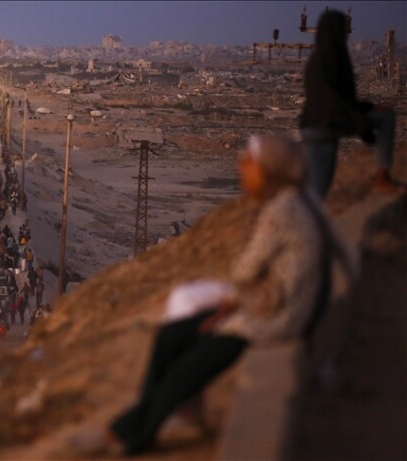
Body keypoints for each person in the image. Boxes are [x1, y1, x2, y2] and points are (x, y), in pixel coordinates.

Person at [109, 134, 355, 455]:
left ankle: (133, 432)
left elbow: (243, 271)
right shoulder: (301, 199)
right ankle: (140, 424)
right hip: (276, 305)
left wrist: (234, 301)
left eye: (249, 166)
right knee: (172, 336)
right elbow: (344, 255)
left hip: (276, 316)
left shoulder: (281, 210)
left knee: (190, 363)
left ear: (270, 169)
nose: (243, 172)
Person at [300, 10, 405, 198]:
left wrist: (367, 110)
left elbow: (342, 99)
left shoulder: (322, 58)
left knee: (318, 187)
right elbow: (333, 101)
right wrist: (362, 124)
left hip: (324, 123)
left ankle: (382, 176)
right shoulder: (331, 58)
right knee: (317, 190)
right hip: (325, 125)